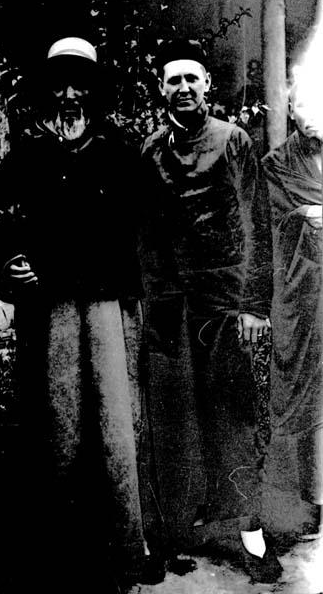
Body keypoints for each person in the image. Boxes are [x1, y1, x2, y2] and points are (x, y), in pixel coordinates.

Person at [0, 37, 164, 593]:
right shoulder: (24, 158)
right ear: (46, 94)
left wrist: (141, 290)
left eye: (81, 85)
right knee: (56, 430)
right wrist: (8, 267)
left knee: (118, 431)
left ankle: (128, 551)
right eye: (59, 85)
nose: (70, 96)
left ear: (96, 95)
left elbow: (153, 233)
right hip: (49, 314)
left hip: (110, 309)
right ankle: (59, 556)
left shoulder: (122, 157)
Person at [140, 38, 282, 581]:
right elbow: (148, 234)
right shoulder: (151, 150)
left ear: (208, 87)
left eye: (191, 80)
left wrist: (252, 305)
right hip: (174, 305)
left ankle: (249, 534)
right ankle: (178, 529)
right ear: (161, 90)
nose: (183, 89)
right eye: (173, 80)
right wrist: (153, 303)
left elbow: (257, 224)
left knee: (233, 416)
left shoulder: (234, 141)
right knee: (175, 420)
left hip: (227, 303)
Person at [262, 72, 322, 541]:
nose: (311, 116)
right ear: (289, 110)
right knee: (304, 396)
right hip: (302, 296)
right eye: (302, 105)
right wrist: (303, 216)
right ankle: (307, 502)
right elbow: (271, 230)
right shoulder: (277, 164)